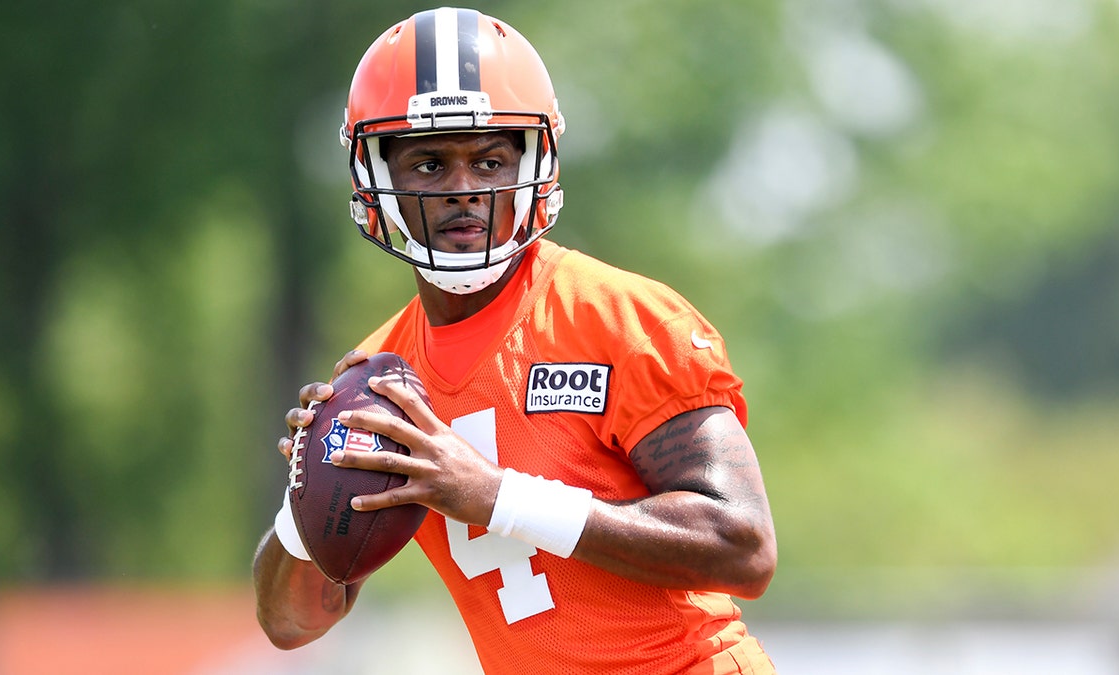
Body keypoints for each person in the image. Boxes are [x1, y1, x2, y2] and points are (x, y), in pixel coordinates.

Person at [252, 7, 778, 674]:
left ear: (535, 160)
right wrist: (308, 498)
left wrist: (496, 495)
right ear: (377, 179)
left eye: (491, 159)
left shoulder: (620, 316)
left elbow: (743, 544)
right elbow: (290, 621)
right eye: (430, 164)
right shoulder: (378, 377)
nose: (464, 190)